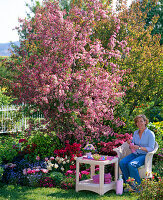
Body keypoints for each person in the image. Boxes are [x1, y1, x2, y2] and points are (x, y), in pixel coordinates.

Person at [119, 114, 155, 188]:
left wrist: (139, 148)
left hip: (144, 155)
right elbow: (134, 143)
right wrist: (130, 142)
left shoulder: (150, 134)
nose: (139, 123)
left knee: (132, 165)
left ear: (145, 122)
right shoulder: (135, 133)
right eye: (137, 122)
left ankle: (137, 187)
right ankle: (129, 185)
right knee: (122, 163)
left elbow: (151, 148)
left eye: (141, 121)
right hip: (135, 154)